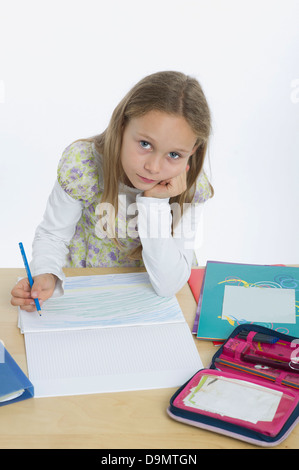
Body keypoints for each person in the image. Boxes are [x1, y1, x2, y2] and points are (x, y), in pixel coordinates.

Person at [11, 71, 213, 312]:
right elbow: (53, 235)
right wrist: (46, 273)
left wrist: (156, 203)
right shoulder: (83, 166)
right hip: (89, 293)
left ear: (193, 151)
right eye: (145, 144)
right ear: (122, 125)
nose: (153, 167)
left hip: (153, 304)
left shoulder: (190, 184)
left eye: (174, 155)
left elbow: (168, 285)